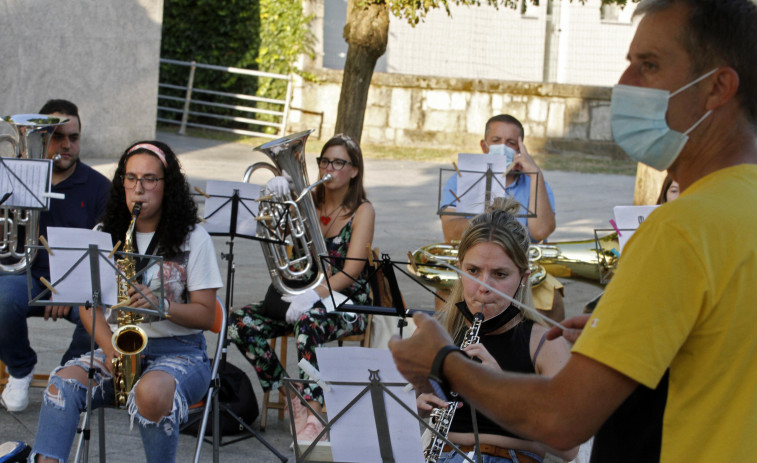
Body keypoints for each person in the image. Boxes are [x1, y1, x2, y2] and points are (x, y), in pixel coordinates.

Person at [389, 1, 757, 461]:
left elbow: (561, 423)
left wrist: (444, 363)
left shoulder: (680, 229)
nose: (623, 85)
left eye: (649, 65)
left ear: (717, 87)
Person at [30, 141, 223, 462]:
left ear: (168, 185)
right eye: (131, 178)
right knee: (60, 387)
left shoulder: (194, 237)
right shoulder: (105, 232)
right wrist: (110, 351)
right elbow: (87, 307)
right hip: (118, 351)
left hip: (181, 353)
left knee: (150, 393)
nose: (139, 188)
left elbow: (206, 316)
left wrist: (162, 306)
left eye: (150, 179)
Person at [229, 133, 375, 442]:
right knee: (237, 323)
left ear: (354, 170)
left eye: (338, 163)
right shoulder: (306, 201)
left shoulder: (363, 211)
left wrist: (314, 296)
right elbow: (279, 240)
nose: (328, 169)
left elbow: (350, 272)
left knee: (309, 324)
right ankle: (289, 394)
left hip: (348, 302)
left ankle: (314, 408)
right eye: (324, 162)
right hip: (304, 296)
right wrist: (278, 200)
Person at [417, 197, 577, 463]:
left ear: (523, 279)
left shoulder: (545, 343)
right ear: (459, 269)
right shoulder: (435, 333)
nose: (484, 286)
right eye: (473, 270)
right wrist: (412, 405)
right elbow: (386, 419)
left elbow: (569, 447)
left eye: (500, 274)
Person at [0, 99, 110, 413]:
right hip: (23, 275)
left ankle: (65, 378)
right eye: (56, 137)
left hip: (76, 284)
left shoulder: (99, 188)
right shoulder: (14, 176)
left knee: (101, 319)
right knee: (1, 301)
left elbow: (104, 252)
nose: (66, 145)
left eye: (73, 138)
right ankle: (20, 369)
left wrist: (70, 287)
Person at [437, 114, 564, 321]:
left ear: (521, 149)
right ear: (484, 145)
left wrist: (535, 173)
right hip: (476, 267)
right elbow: (451, 233)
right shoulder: (459, 179)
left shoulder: (535, 181)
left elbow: (540, 231)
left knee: (553, 299)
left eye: (511, 143)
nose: (503, 147)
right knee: (443, 291)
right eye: (496, 141)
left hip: (520, 267)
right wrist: (491, 217)